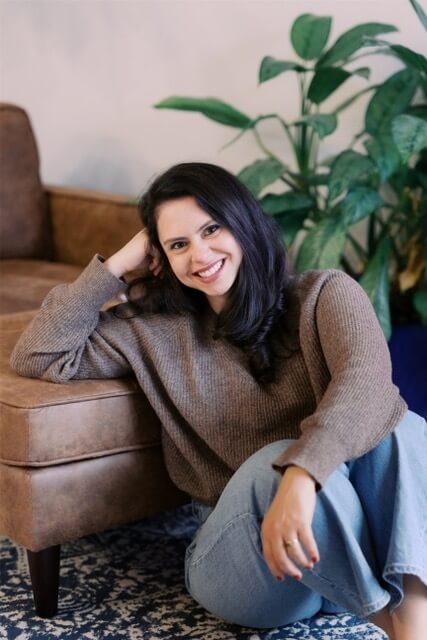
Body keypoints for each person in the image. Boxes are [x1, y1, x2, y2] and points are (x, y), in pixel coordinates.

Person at [10, 162, 427, 639]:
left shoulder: (324, 294)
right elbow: (39, 355)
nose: (201, 254)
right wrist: (116, 266)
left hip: (331, 544)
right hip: (245, 569)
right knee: (274, 463)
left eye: (212, 228)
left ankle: (414, 622)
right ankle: (392, 623)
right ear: (160, 258)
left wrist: (302, 474)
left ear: (243, 220)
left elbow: (367, 382)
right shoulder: (151, 328)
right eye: (178, 244)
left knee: (401, 425)